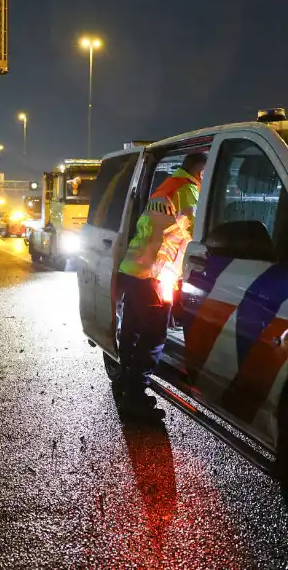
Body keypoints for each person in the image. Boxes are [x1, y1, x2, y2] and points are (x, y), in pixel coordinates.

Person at [115, 152, 208, 422]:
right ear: (200, 173)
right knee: (154, 337)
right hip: (155, 275)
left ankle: (125, 382)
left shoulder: (167, 186)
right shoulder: (188, 191)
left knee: (132, 331)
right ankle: (135, 397)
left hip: (134, 270)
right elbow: (198, 233)